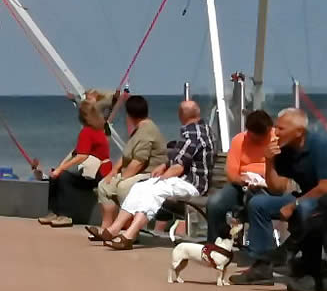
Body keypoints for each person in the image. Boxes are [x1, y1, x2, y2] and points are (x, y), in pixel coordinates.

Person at [243, 109, 327, 289]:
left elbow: (326, 187)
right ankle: (262, 262)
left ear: (299, 132)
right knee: (258, 204)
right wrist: (269, 162)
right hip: (305, 196)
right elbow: (276, 188)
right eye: (276, 127)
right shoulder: (285, 149)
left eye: (281, 128)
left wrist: (294, 204)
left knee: (304, 209)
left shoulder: (322, 146)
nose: (276, 132)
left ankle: (304, 266)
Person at [96, 101, 212, 250]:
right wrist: (164, 166)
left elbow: (178, 167)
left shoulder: (192, 134)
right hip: (187, 181)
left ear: (181, 115)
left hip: (193, 185)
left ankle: (129, 235)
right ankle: (115, 228)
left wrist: (162, 177)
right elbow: (181, 157)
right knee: (139, 187)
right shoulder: (202, 128)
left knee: (154, 189)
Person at [88, 95, 167, 240]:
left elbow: (139, 162)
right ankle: (106, 227)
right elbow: (126, 157)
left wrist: (122, 178)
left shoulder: (147, 130)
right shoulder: (139, 129)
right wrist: (113, 172)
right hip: (137, 172)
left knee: (123, 187)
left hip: (150, 174)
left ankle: (131, 232)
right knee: (104, 186)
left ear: (130, 114)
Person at [204, 110, 275, 245]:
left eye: (263, 136)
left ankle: (260, 248)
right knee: (214, 203)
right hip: (241, 185)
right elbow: (231, 173)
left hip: (269, 186)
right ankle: (214, 245)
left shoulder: (276, 139)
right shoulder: (239, 140)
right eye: (255, 137)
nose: (260, 140)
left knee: (256, 204)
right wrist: (244, 182)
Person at [41, 99, 113, 227]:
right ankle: (53, 213)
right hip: (100, 172)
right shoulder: (98, 129)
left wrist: (61, 169)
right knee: (57, 176)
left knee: (63, 177)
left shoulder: (87, 132)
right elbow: (77, 152)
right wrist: (59, 168)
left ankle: (65, 215)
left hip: (98, 175)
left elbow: (81, 156)